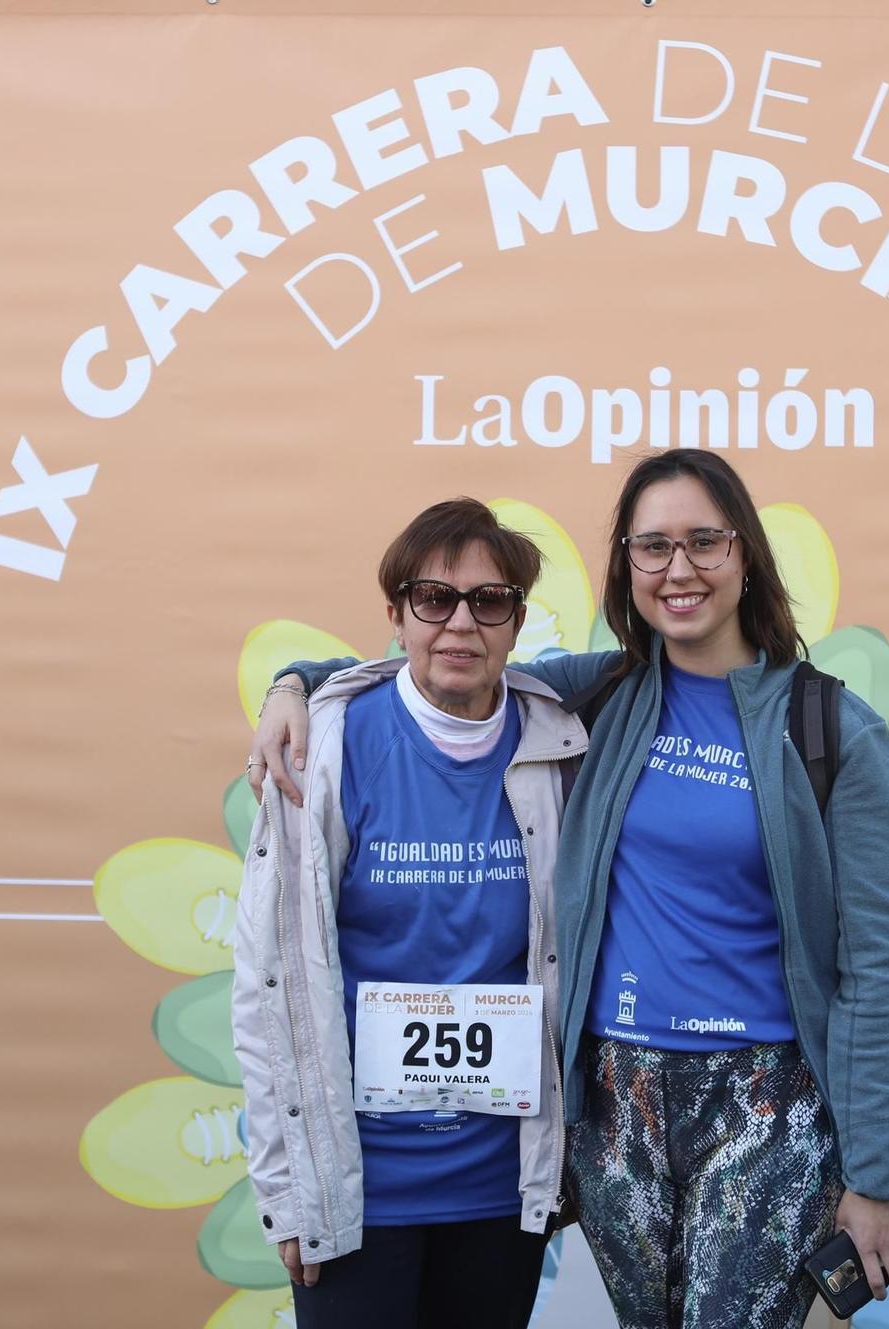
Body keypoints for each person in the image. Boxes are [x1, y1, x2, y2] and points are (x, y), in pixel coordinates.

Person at [251, 452, 889, 1329]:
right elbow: (443, 662)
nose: (678, 568)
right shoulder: (598, 693)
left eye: (703, 541)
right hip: (615, 1106)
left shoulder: (831, 727)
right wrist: (296, 683)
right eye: (652, 546)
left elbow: (877, 966)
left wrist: (878, 1173)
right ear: (627, 566)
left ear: (746, 555)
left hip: (762, 1102)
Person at [231, 498, 585, 1329]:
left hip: (501, 1184)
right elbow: (266, 983)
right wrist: (290, 1190)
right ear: (395, 616)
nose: (460, 623)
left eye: (488, 601)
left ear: (516, 621)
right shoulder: (320, 749)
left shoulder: (562, 739)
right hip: (359, 1188)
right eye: (433, 599)